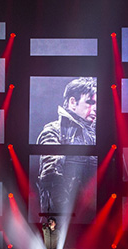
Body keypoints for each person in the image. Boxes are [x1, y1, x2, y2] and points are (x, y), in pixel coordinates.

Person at [36, 77, 97, 215]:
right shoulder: (53, 131)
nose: (95, 108)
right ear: (72, 102)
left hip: (92, 220)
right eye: (90, 102)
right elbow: (51, 177)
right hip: (61, 220)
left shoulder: (98, 135)